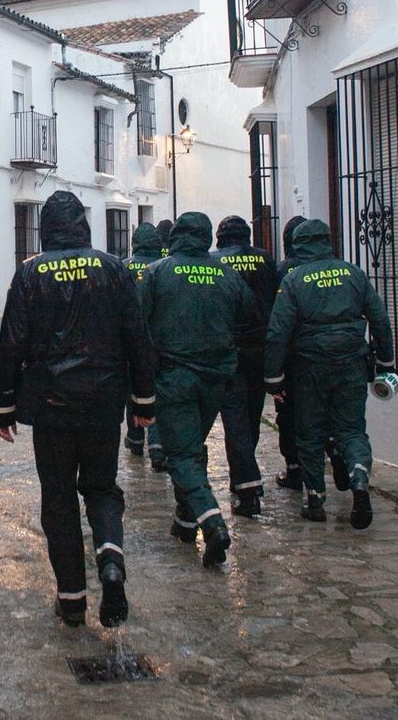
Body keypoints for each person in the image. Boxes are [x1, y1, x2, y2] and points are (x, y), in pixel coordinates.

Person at [0, 191, 155, 628]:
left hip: (51, 408)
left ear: (46, 228)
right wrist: (144, 401)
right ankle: (110, 559)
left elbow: (11, 343)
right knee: (102, 488)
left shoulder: (29, 275)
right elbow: (137, 338)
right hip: (103, 404)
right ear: (83, 225)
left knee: (59, 498)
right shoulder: (114, 270)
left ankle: (71, 599)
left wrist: (3, 406)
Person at [139, 212, 265, 566]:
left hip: (175, 378)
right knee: (191, 448)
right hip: (217, 378)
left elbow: (138, 324)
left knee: (181, 454)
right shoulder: (227, 275)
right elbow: (252, 319)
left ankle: (211, 521)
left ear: (178, 235)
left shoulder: (159, 273)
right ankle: (183, 521)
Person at [263, 218, 393, 528]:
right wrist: (386, 364)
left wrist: (273, 376)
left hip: (310, 366)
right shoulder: (353, 274)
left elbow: (278, 331)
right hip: (351, 363)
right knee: (351, 429)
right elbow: (380, 318)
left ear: (298, 244)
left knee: (310, 431)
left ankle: (315, 498)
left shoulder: (294, 280)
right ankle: (359, 476)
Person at [213, 214, 280, 518]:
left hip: (230, 351)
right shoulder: (266, 261)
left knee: (235, 419)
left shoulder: (214, 263)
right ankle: (244, 474)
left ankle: (247, 484)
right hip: (260, 350)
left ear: (220, 237)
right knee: (251, 416)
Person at [122, 223, 166, 469]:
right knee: (155, 391)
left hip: (130, 342)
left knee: (133, 391)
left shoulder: (124, 266)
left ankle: (136, 438)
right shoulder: (166, 266)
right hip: (159, 341)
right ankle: (157, 447)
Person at [272, 215, 307, 491]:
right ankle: (342, 458)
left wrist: (272, 372)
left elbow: (276, 323)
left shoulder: (283, 271)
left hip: (292, 359)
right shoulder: (344, 269)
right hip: (331, 358)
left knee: (288, 414)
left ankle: (295, 469)